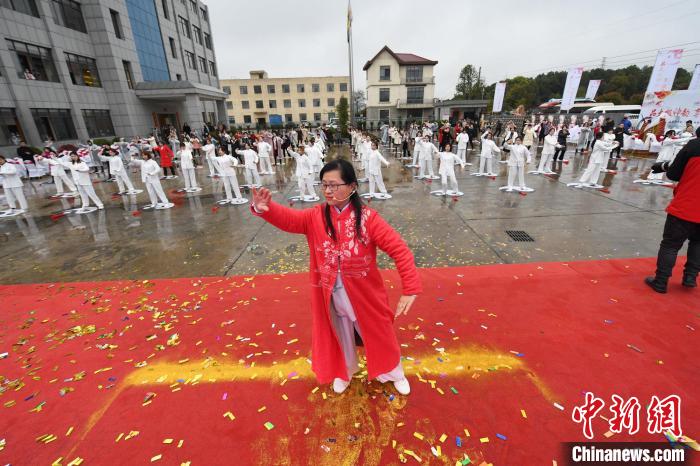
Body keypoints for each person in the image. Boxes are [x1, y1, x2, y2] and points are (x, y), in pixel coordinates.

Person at [250, 159, 421, 395]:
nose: (328, 191)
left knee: (380, 335)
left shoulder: (368, 219)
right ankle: (345, 372)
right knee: (340, 335)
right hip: (331, 294)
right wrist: (264, 209)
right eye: (324, 185)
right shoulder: (316, 216)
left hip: (365, 296)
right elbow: (290, 219)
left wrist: (410, 288)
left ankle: (392, 372)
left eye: (334, 185)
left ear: (351, 186)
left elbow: (399, 250)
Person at [644, 127, 700, 293]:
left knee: (670, 245)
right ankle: (690, 277)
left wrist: (665, 166)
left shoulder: (694, 145)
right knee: (698, 243)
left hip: (686, 205)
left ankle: (660, 281)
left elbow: (674, 174)